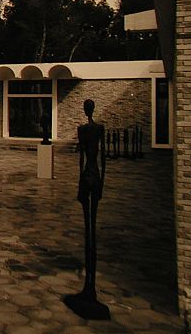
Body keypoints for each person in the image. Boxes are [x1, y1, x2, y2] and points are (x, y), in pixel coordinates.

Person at [64, 99, 109, 319]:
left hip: (86, 176)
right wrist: (102, 183)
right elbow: (104, 159)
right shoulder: (99, 129)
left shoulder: (83, 130)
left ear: (85, 110)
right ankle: (90, 287)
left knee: (88, 230)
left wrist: (80, 184)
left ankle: (89, 287)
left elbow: (81, 159)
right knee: (92, 228)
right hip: (96, 176)